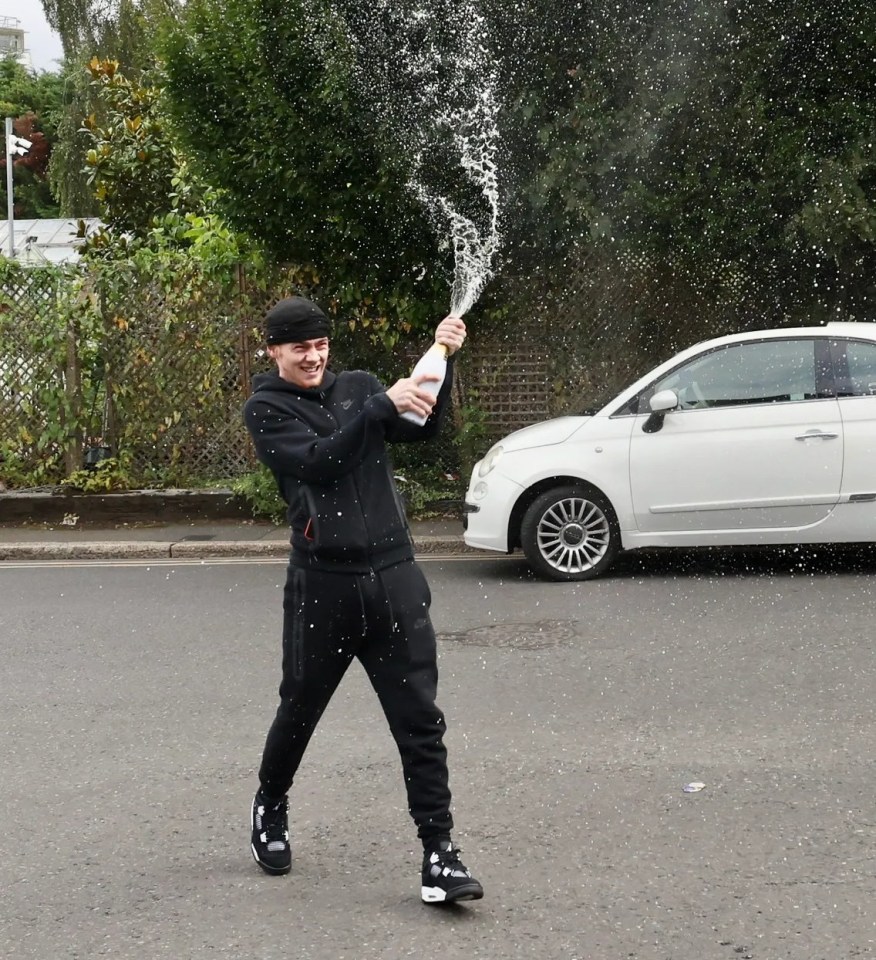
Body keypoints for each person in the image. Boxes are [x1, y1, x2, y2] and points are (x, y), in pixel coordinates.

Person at [243, 296, 483, 904]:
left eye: (320, 344)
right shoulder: (267, 409)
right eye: (300, 347)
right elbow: (322, 463)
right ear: (274, 350)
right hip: (323, 587)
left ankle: (439, 855)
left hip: (395, 580)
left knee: (420, 724)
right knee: (299, 709)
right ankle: (270, 804)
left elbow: (421, 426)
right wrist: (380, 406)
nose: (314, 356)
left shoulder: (357, 386)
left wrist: (442, 360)